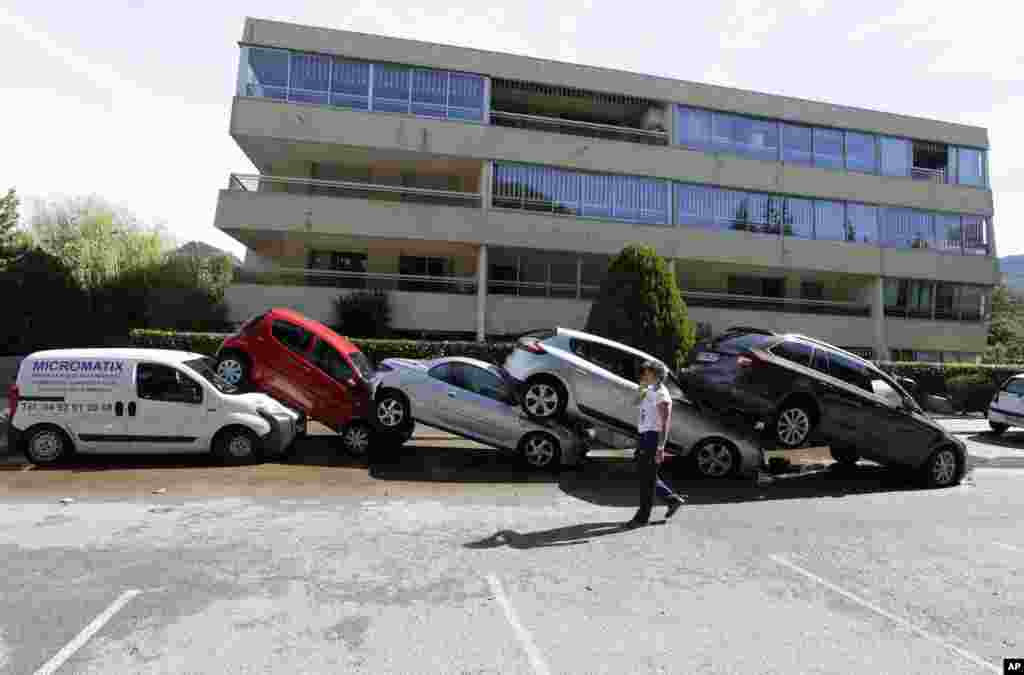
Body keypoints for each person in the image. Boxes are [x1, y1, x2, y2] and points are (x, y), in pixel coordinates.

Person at [628, 360, 685, 527]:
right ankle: (672, 499)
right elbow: (635, 402)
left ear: (657, 376)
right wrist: (642, 387)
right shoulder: (650, 389)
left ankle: (642, 517)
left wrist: (661, 447)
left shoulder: (662, 395)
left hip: (653, 438)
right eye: (644, 373)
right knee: (646, 475)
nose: (644, 375)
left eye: (648, 373)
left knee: (647, 480)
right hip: (644, 436)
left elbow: (665, 423)